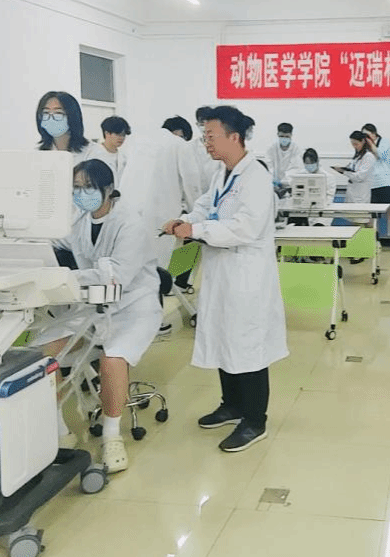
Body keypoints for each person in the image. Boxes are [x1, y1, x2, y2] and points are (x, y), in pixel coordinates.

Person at [164, 106, 288, 453]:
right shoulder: (223, 173)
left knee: (247, 346)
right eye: (204, 136)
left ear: (234, 137)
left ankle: (255, 421)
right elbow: (206, 206)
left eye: (211, 136)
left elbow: (245, 227)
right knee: (223, 337)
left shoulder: (255, 176)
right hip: (222, 273)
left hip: (246, 277)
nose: (206, 142)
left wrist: (197, 230)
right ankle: (232, 405)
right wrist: (185, 220)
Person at [60, 159, 160, 473]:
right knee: (49, 353)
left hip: (134, 306)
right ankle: (56, 430)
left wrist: (70, 278)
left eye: (88, 187)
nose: (81, 194)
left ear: (108, 189)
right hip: (93, 305)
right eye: (76, 188)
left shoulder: (129, 223)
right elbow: (60, 239)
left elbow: (117, 278)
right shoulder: (80, 220)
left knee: (112, 358)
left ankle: (112, 436)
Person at [120, 119, 200, 276]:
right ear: (180, 134)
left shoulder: (138, 141)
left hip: (127, 211)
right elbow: (192, 183)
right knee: (158, 267)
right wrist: (196, 214)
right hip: (159, 215)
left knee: (131, 261)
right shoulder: (179, 145)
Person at [361, 123, 390, 255]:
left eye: (368, 135)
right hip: (371, 184)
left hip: (387, 182)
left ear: (374, 134)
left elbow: (380, 155)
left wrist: (371, 144)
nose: (366, 138)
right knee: (372, 217)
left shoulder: (384, 142)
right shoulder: (364, 148)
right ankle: (376, 243)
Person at [36, 91, 90, 162]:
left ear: (72, 116)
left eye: (58, 113)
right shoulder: (37, 153)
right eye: (46, 112)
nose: (51, 118)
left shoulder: (92, 152)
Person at [86, 115, 131, 186]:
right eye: (117, 134)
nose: (121, 138)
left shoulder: (124, 158)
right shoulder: (94, 154)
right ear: (106, 133)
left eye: (123, 135)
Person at [334, 131, 375, 204]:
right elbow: (352, 170)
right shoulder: (357, 156)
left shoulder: (368, 156)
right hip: (351, 193)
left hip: (360, 196)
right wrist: (343, 169)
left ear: (363, 142)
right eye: (352, 144)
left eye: (356, 144)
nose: (354, 146)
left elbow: (360, 176)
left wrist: (344, 172)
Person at [265, 122, 302, 191]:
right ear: (277, 134)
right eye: (281, 136)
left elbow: (295, 168)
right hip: (273, 184)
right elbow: (268, 166)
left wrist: (284, 181)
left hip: (290, 184)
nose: (284, 139)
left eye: (287, 137)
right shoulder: (271, 148)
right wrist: (273, 179)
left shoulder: (296, 149)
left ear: (291, 135)